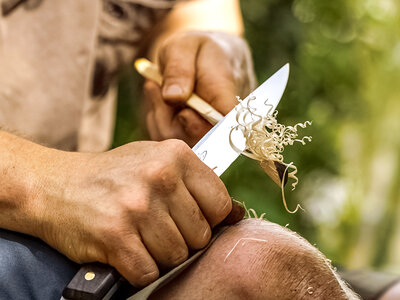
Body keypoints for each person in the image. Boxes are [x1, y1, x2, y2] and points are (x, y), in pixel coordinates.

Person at [0, 0, 396, 299]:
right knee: (252, 266)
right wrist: (45, 184)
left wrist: (209, 40)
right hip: (30, 222)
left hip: (100, 228)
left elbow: (191, 9)